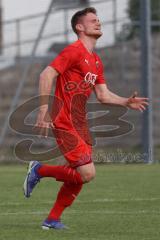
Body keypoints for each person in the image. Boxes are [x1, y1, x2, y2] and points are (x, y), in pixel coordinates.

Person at [23, 7, 148, 230]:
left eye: (98, 20)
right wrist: (43, 110)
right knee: (87, 172)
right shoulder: (74, 51)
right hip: (64, 120)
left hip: (81, 124)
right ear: (79, 27)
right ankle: (38, 170)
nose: (98, 23)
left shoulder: (96, 60)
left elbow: (103, 95)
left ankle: (52, 220)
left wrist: (125, 102)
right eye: (92, 20)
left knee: (79, 177)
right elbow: (47, 74)